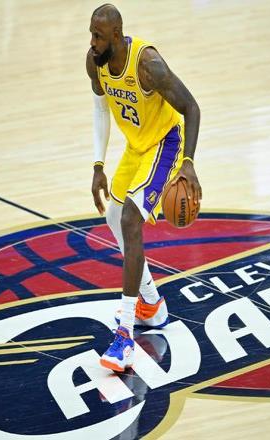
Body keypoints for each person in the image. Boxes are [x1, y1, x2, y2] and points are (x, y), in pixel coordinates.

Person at [87, 4, 201, 372]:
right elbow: (101, 109)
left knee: (131, 220)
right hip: (137, 147)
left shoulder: (148, 65)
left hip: (166, 144)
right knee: (113, 216)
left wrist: (188, 163)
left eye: (98, 36)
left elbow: (191, 108)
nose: (92, 42)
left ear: (116, 35)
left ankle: (125, 336)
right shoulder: (95, 61)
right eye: (91, 34)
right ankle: (151, 303)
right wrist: (98, 165)